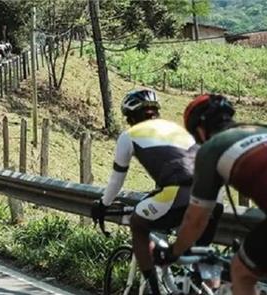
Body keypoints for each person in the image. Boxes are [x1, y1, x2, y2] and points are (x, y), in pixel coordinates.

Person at [91, 90, 222, 295]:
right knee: (197, 259)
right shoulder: (177, 130)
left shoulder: (129, 136)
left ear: (131, 117)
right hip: (213, 196)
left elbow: (117, 180)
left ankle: (155, 289)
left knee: (138, 223)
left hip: (178, 193)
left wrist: (103, 205)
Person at [154, 94, 267, 295]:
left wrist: (173, 252)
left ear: (200, 130)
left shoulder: (212, 148)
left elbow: (196, 219)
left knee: (241, 272)